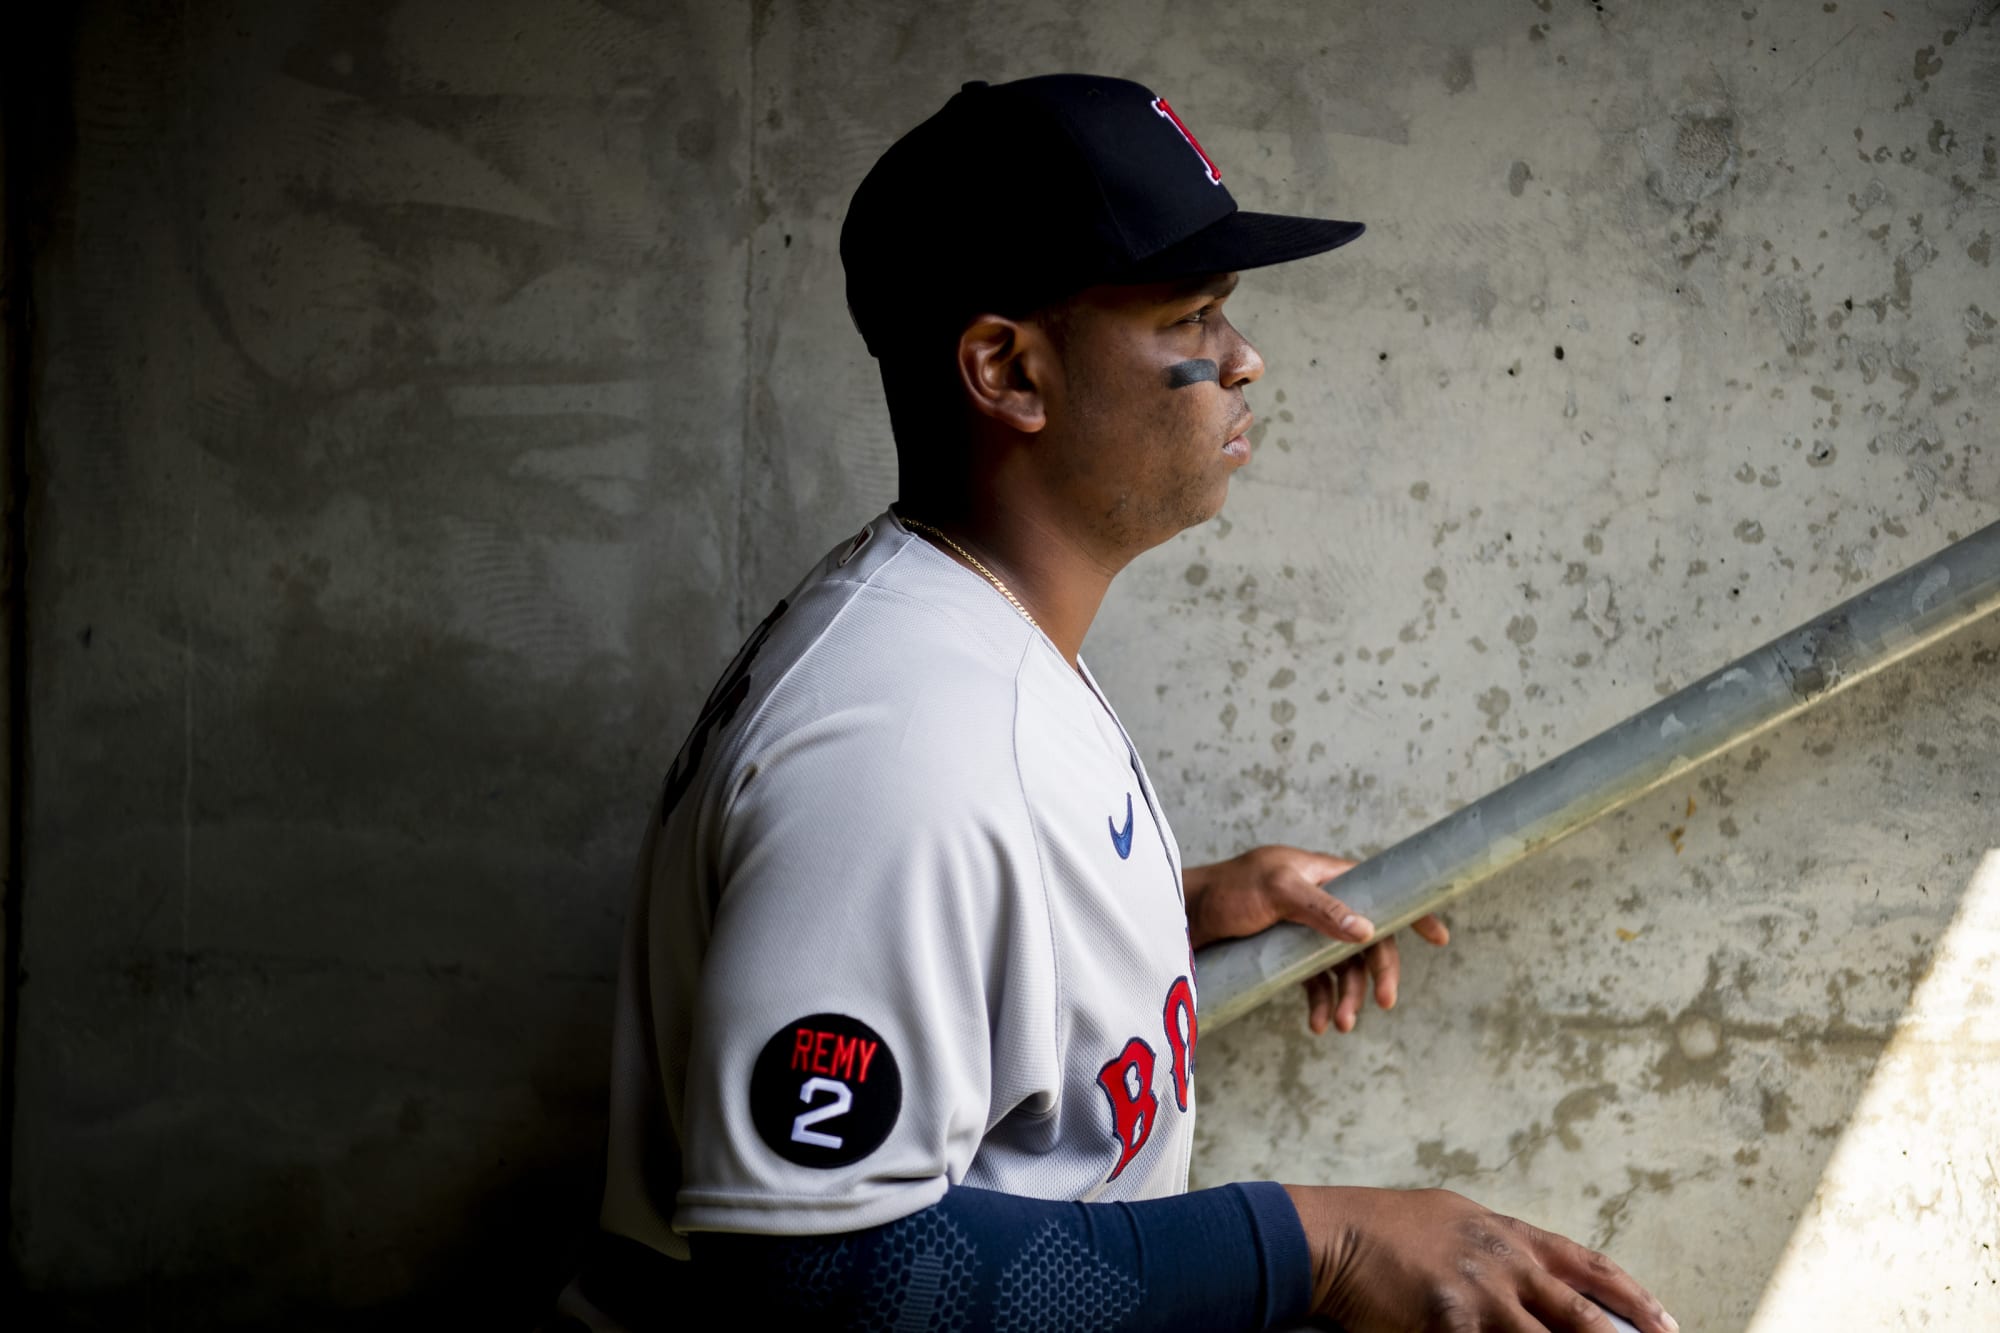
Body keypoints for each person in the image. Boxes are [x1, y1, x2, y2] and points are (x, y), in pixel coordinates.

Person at [558, 74, 1676, 1333]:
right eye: (1191, 314)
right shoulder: (902, 739)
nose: (1243, 357)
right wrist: (1322, 1240)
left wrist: (1172, 914)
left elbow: (952, 942)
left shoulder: (967, 633)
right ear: (1008, 372)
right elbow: (815, 1269)